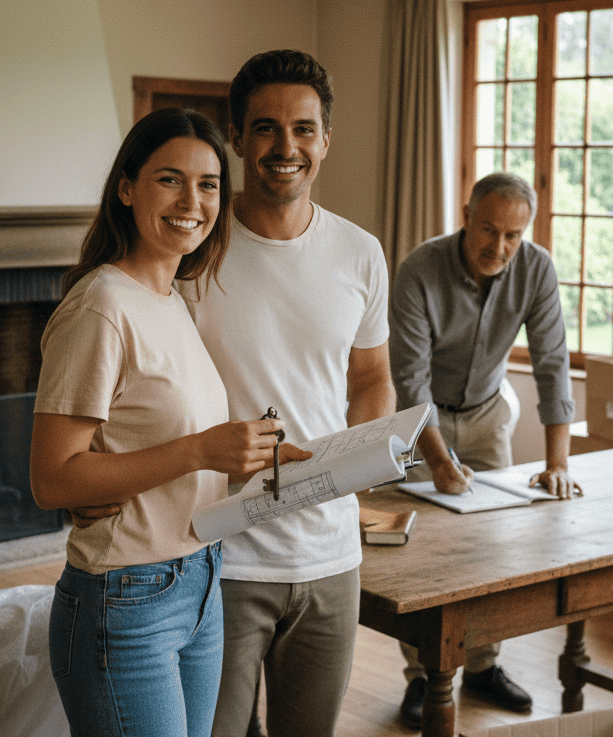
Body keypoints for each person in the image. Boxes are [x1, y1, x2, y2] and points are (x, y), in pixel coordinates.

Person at [29, 108, 307, 737]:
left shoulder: (172, 298)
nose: (193, 201)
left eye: (208, 184)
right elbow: (52, 480)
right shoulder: (101, 306)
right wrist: (200, 451)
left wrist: (255, 455)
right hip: (125, 598)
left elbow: (146, 444)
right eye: (170, 180)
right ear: (126, 189)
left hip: (202, 581)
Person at [186, 50, 397, 737]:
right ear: (238, 138)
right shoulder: (193, 254)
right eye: (267, 128)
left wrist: (364, 462)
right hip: (220, 554)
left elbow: (370, 378)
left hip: (332, 554)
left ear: (326, 141)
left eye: (303, 129)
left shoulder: (361, 252)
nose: (286, 147)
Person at [388, 170, 580, 730]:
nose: (500, 247)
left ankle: (482, 667)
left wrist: (558, 463)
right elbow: (410, 382)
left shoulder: (537, 268)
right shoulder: (420, 270)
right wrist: (441, 460)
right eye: (489, 229)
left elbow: (552, 364)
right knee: (425, 555)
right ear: (466, 216)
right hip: (421, 421)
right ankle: (423, 679)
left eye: (513, 236)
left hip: (489, 412)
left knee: (490, 548)